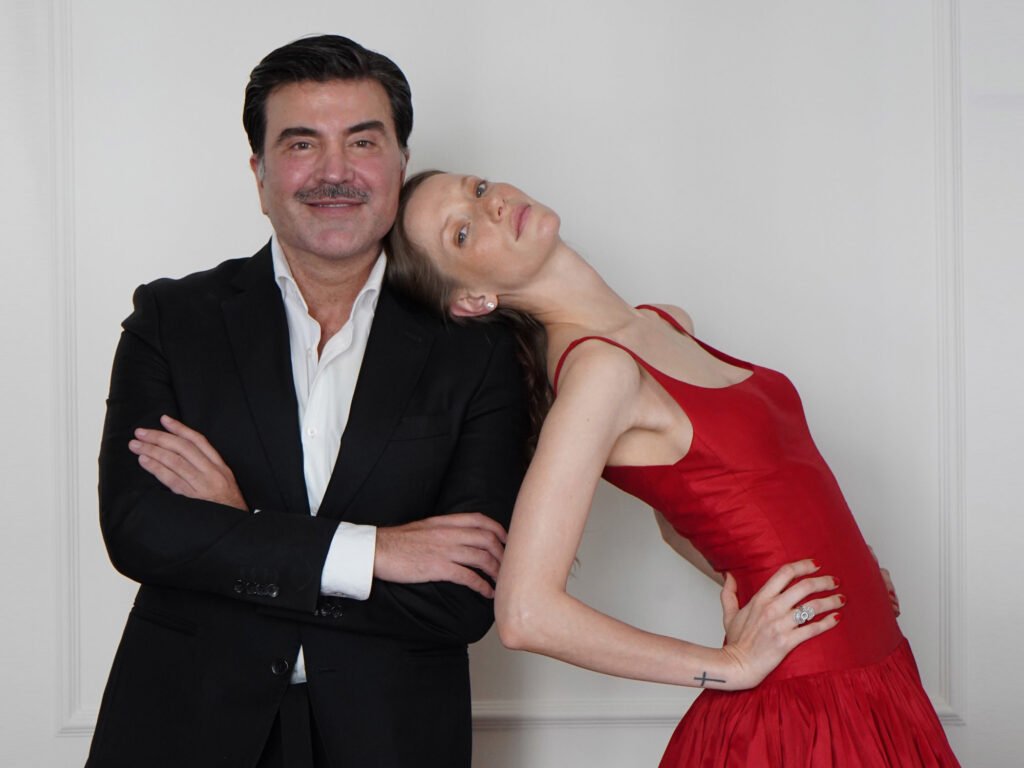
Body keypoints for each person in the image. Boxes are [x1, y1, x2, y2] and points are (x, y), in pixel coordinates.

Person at [381, 170, 961, 766]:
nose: (493, 206)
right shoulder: (600, 373)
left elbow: (682, 511)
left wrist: (835, 577)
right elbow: (525, 614)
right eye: (462, 232)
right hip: (804, 713)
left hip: (877, 673)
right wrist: (729, 666)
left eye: (477, 190)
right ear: (472, 299)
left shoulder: (662, 322)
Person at [86, 38, 529, 768]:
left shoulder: (476, 350)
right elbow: (142, 531)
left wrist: (240, 528)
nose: (334, 172)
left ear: (400, 164)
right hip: (183, 731)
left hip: (392, 739)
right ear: (259, 175)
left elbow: (462, 596)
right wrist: (376, 552)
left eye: (363, 142)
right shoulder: (172, 320)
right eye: (301, 144)